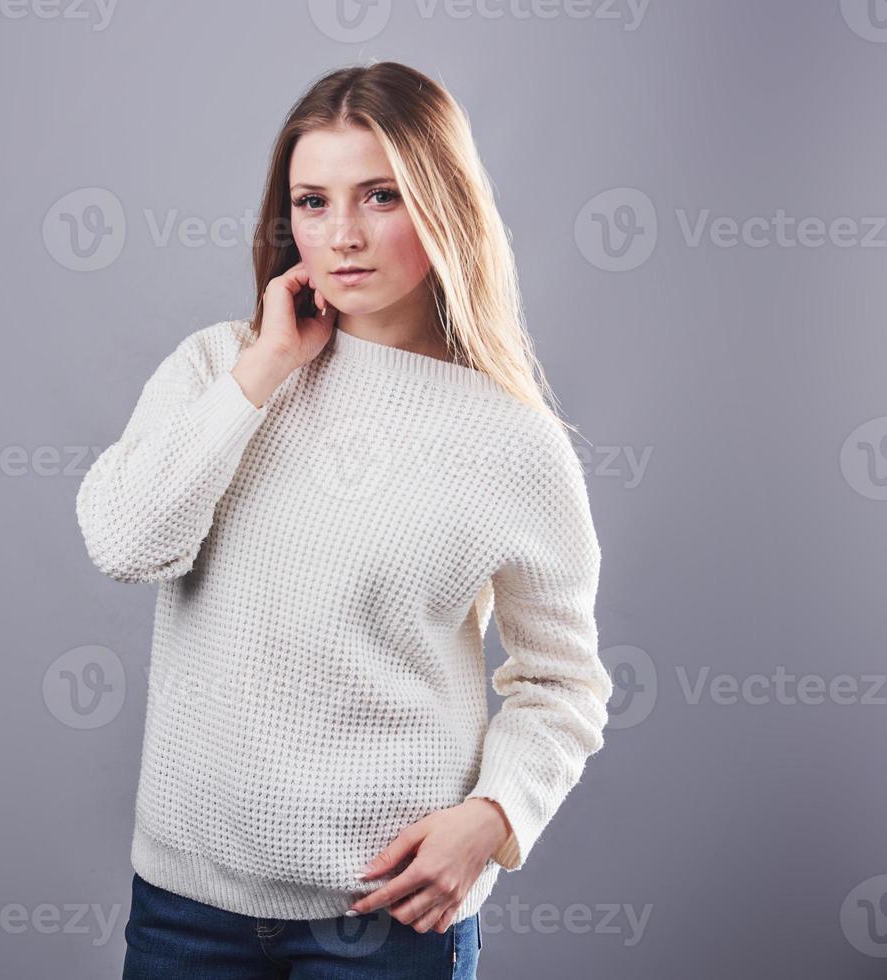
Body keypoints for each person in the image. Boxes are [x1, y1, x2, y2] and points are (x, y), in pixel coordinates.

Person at [75, 60, 612, 980]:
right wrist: (263, 373)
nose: (343, 235)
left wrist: (491, 821)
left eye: (379, 195)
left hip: (388, 917)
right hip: (183, 908)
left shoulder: (512, 444)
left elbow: (562, 683)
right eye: (312, 203)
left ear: (443, 204)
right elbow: (127, 543)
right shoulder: (219, 370)